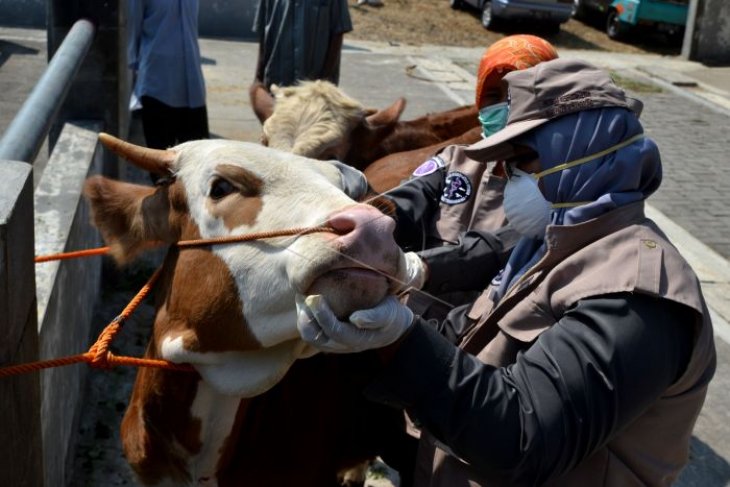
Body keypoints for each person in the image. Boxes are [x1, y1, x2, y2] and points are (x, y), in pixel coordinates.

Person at [296, 58, 716, 486]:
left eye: (524, 160)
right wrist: (366, 324)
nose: (509, 177)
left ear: (583, 154)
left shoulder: (639, 291)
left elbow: (522, 438)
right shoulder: (549, 250)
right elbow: (468, 336)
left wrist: (400, 337)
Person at [386, 35, 558, 323]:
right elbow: (409, 200)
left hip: (487, 343)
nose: (504, 106)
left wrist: (424, 267)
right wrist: (371, 217)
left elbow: (513, 245)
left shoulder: (563, 182)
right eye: (492, 95)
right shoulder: (457, 161)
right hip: (409, 323)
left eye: (517, 93)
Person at [128, 0, 209, 176]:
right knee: (161, 169)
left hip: (192, 86)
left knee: (199, 166)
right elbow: (131, 30)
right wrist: (136, 70)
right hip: (158, 85)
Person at [252, 0, 353, 91]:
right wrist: (258, 79)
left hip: (315, 89)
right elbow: (263, 31)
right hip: (277, 86)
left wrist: (323, 83)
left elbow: (338, 32)